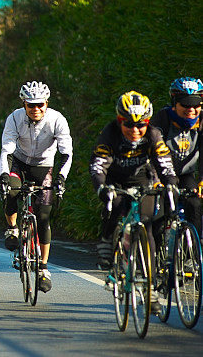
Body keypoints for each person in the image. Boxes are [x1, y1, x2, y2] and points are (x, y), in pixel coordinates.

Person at [90, 91, 178, 315]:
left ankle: (150, 292)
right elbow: (99, 165)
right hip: (116, 179)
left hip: (144, 181)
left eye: (141, 125)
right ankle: (107, 240)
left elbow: (165, 163)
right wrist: (101, 186)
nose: (135, 130)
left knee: (148, 227)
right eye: (129, 124)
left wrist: (170, 183)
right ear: (120, 120)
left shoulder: (154, 135)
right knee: (115, 202)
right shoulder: (109, 134)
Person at [0, 81, 73, 292]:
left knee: (43, 217)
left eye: (40, 104)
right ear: (23, 104)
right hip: (19, 163)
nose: (36, 109)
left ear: (46, 103)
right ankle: (12, 229)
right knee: (11, 190)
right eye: (31, 105)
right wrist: (4, 175)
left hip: (44, 166)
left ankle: (43, 269)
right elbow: (6, 150)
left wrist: (61, 177)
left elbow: (66, 152)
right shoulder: (14, 118)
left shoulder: (56, 119)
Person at [149, 77, 203, 238]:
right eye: (185, 105)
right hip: (161, 173)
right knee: (160, 209)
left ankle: (192, 252)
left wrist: (201, 180)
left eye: (196, 105)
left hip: (186, 174)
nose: (191, 110)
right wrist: (156, 180)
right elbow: (152, 150)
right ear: (174, 103)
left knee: (194, 204)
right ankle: (157, 254)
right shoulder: (162, 119)